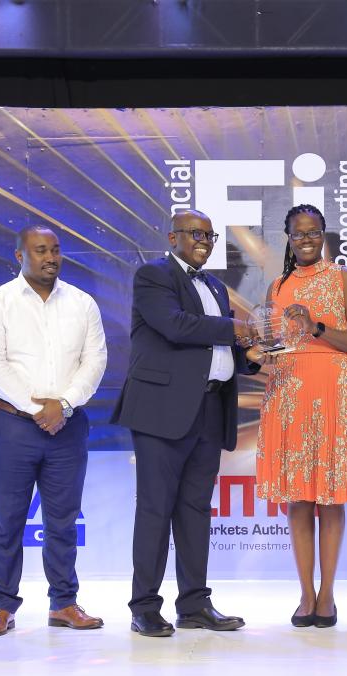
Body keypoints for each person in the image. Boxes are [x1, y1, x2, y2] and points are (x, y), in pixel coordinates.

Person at [112, 209, 256, 637]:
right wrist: (237, 328)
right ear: (173, 237)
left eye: (210, 235)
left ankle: (194, 604)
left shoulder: (214, 286)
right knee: (155, 509)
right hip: (161, 411)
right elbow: (176, 326)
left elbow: (219, 349)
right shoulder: (153, 275)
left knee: (195, 511)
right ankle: (144, 607)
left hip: (210, 410)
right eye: (196, 234)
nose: (205, 241)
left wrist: (250, 356)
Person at [0, 225, 107, 637]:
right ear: (20, 256)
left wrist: (63, 405)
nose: (50, 257)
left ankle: (64, 604)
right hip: (14, 425)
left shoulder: (83, 304)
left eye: (55, 250)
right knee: (6, 520)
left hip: (67, 427)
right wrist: (40, 410)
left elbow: (95, 361)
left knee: (63, 521)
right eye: (40, 250)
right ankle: (2, 607)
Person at [252, 204, 347, 629]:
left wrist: (317, 327)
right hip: (289, 394)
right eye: (298, 233)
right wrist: (259, 349)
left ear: (324, 234)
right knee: (299, 499)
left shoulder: (344, 279)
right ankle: (305, 593)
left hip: (336, 394)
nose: (306, 239)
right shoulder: (277, 286)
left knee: (330, 497)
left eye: (313, 232)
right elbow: (275, 342)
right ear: (287, 238)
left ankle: (327, 595)